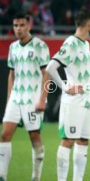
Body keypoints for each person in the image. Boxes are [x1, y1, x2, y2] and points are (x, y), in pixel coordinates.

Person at [46, 9, 90, 181]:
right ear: (89, 22)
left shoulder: (85, 44)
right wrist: (65, 86)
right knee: (68, 140)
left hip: (88, 101)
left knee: (83, 141)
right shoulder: (71, 43)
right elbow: (51, 67)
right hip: (74, 101)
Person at [0, 12, 50, 181]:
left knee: (34, 136)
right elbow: (11, 75)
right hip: (16, 97)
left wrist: (43, 99)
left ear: (29, 26)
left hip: (33, 98)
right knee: (4, 135)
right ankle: (2, 176)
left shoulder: (40, 46)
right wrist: (9, 100)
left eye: (22, 25)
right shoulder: (13, 47)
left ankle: (36, 177)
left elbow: (47, 74)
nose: (18, 29)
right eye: (15, 25)